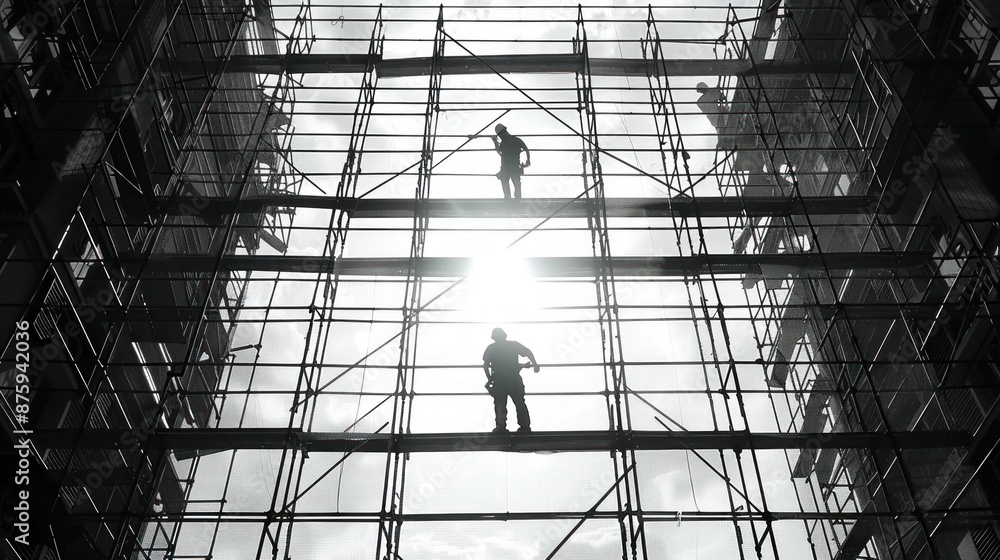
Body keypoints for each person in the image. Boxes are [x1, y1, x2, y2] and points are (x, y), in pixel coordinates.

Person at [482, 327, 539, 433]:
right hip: (514, 379)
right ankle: (524, 426)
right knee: (519, 402)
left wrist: (490, 379)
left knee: (500, 404)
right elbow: (527, 352)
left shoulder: (491, 348)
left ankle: (501, 426)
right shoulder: (513, 345)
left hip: (499, 380)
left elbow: (486, 366)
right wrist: (534, 364)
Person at [491, 123, 530, 199]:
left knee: (511, 185)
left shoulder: (505, 142)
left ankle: (511, 201)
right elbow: (526, 149)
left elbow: (500, 153)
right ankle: (514, 201)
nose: (500, 137)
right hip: (512, 167)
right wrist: (527, 161)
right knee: (515, 185)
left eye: (500, 135)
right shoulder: (515, 140)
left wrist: (495, 142)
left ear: (503, 132)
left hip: (507, 168)